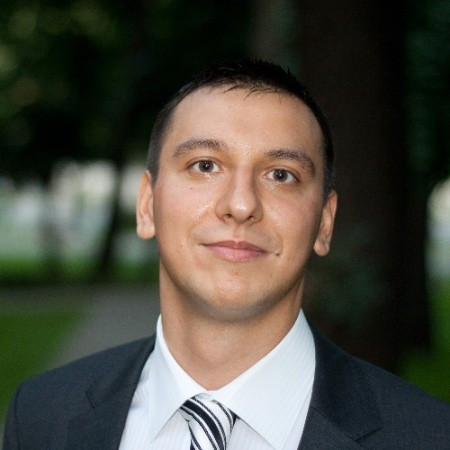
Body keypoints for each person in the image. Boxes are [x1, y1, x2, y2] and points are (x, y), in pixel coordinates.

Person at [3, 60, 450, 450]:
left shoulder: (429, 437)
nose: (240, 204)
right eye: (205, 165)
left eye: (281, 174)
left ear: (324, 223)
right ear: (147, 205)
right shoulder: (41, 416)